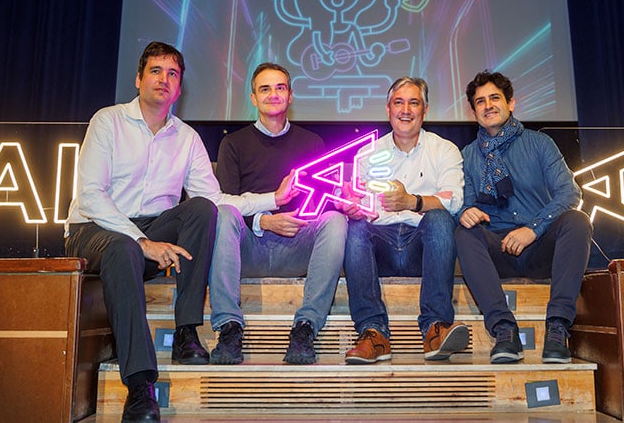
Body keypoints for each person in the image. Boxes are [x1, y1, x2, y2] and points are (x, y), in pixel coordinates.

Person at [65, 42, 293, 422]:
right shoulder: (108, 121)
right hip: (96, 228)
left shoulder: (186, 137)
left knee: (204, 209)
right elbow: (91, 196)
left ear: (180, 88)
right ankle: (140, 388)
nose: (164, 79)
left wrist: (273, 198)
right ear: (139, 79)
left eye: (173, 74)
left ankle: (187, 331)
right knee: (123, 250)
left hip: (153, 229)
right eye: (156, 71)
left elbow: (216, 198)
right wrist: (144, 243)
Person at [208, 62, 347, 365]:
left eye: (280, 87)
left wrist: (341, 199)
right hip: (248, 249)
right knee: (223, 214)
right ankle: (229, 329)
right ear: (254, 98)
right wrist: (265, 220)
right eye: (265, 89)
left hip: (297, 246)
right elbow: (227, 201)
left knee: (335, 220)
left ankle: (306, 327)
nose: (273, 94)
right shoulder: (232, 143)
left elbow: (322, 202)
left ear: (291, 95)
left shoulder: (312, 143)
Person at [454, 70, 592, 365]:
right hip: (497, 252)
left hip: (539, 246)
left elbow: (569, 193)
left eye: (495, 98)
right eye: (480, 101)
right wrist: (465, 211)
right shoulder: (466, 156)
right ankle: (504, 330)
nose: (488, 105)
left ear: (511, 103)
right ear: (473, 110)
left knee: (577, 221)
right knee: (464, 232)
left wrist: (533, 229)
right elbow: (463, 205)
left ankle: (557, 328)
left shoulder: (539, 144)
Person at [338, 76, 470, 364]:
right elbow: (357, 201)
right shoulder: (368, 153)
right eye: (399, 102)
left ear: (425, 110)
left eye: (414, 103)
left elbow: (454, 202)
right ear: (388, 109)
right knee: (355, 227)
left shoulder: (444, 150)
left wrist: (412, 201)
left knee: (439, 218)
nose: (406, 110)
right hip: (380, 246)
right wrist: (351, 205)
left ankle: (435, 328)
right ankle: (373, 333)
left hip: (423, 247)